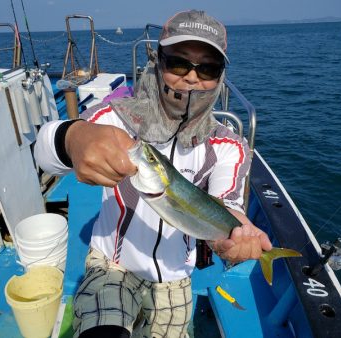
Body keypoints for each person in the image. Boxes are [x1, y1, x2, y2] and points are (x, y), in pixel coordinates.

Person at [35, 10, 272, 338]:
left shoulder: (229, 145)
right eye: (179, 63)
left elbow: (227, 205)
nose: (192, 77)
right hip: (112, 268)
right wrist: (73, 138)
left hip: (177, 277)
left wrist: (232, 239)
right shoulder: (118, 119)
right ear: (159, 62)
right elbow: (44, 152)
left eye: (207, 68)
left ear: (220, 77)